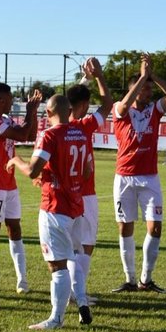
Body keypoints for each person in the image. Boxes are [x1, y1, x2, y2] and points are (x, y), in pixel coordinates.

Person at [8, 95, 90, 329]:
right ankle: (82, 301)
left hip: (55, 207)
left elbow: (33, 171)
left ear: (48, 112)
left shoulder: (50, 135)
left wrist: (15, 160)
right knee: (72, 255)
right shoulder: (81, 134)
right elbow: (85, 172)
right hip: (76, 206)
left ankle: (56, 319)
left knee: (57, 265)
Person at [112, 53, 166, 293]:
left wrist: (152, 76)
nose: (148, 92)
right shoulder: (120, 110)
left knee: (155, 227)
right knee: (125, 227)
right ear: (133, 90)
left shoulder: (154, 110)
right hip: (124, 177)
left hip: (149, 178)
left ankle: (145, 279)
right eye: (144, 88)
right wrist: (141, 77)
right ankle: (129, 280)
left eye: (150, 89)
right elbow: (123, 104)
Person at [0, 83, 41, 295]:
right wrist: (30, 111)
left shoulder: (4, 119)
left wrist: (34, 113)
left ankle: (22, 280)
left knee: (15, 227)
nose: (13, 102)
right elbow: (22, 135)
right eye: (11, 99)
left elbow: (29, 135)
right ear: (2, 100)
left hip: (9, 181)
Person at [66, 57, 113, 314]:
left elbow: (64, 100)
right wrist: (99, 76)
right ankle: (78, 292)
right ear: (84, 105)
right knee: (85, 244)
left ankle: (74, 290)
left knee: (71, 246)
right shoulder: (84, 126)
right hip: (85, 194)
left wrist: (84, 79)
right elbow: (108, 104)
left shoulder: (57, 125)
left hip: (64, 195)